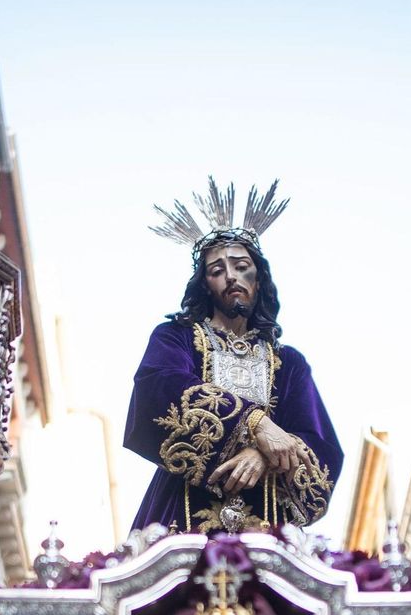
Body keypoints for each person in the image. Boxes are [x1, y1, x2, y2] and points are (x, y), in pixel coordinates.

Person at [126, 180, 342, 533]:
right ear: (205, 285)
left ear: (258, 279)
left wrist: (264, 455)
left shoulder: (288, 363)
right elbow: (159, 388)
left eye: (241, 266)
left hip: (268, 518)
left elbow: (319, 442)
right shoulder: (177, 337)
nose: (230, 276)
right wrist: (257, 424)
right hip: (183, 509)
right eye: (217, 271)